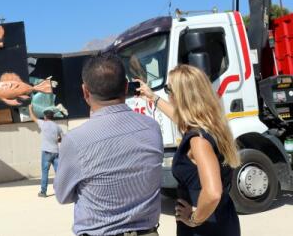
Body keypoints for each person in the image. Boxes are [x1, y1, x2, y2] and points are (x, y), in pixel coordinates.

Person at [54, 53, 163, 236]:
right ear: (126, 87)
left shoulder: (75, 140)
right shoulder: (152, 128)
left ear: (85, 91)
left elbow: (63, 195)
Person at [137, 64, 241, 236]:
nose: (167, 94)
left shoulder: (198, 140)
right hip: (222, 218)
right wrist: (152, 97)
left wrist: (193, 219)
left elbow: (213, 193)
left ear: (181, 96)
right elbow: (180, 119)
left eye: (168, 89)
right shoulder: (213, 126)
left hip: (205, 227)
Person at [29, 104, 63, 198]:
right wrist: (57, 140)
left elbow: (32, 117)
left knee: (45, 172)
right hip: (56, 152)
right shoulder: (57, 127)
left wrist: (30, 108)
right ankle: (60, 191)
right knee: (59, 172)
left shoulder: (43, 123)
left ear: (45, 117)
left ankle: (43, 192)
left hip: (46, 152)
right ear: (52, 117)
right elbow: (62, 138)